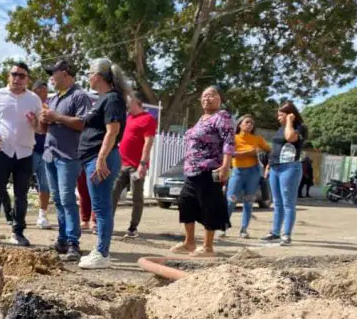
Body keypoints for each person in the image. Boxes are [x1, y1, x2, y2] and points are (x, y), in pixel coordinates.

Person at [0, 62, 43, 246]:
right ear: (8, 76)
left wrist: (35, 123)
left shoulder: (34, 99)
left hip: (25, 153)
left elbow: (41, 128)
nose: (17, 79)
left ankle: (18, 233)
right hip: (2, 151)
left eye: (22, 76)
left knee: (21, 195)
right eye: (14, 74)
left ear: (27, 79)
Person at [76, 58, 128, 269]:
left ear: (97, 76)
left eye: (89, 74)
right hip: (94, 158)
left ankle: (102, 254)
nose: (88, 78)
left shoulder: (112, 99)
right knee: (100, 205)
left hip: (101, 159)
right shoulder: (103, 98)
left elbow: (113, 131)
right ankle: (100, 250)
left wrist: (101, 158)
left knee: (101, 207)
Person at [169, 86, 234, 257]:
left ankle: (208, 247)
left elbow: (229, 141)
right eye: (204, 96)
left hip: (210, 169)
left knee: (209, 206)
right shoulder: (202, 119)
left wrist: (226, 166)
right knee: (186, 203)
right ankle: (189, 243)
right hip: (192, 170)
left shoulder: (222, 116)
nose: (207, 98)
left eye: (212, 95)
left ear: (220, 99)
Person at [39, 58, 93, 261]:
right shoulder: (54, 99)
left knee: (68, 199)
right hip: (50, 155)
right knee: (58, 200)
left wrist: (56, 117)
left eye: (53, 73)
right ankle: (62, 239)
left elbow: (82, 123)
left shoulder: (80, 96)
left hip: (68, 157)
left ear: (65, 73)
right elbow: (44, 129)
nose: (51, 78)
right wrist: (42, 120)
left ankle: (73, 243)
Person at [113, 91, 158, 238]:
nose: (126, 104)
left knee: (137, 198)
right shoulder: (128, 118)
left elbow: (148, 143)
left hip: (136, 166)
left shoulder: (148, 119)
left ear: (136, 101)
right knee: (112, 193)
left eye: (128, 101)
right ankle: (106, 224)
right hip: (121, 164)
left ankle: (133, 228)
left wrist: (143, 164)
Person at [262, 101, 307, 246]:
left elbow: (290, 138)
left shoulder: (300, 127)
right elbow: (276, 148)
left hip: (289, 167)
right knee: (277, 202)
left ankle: (286, 234)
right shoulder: (280, 128)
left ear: (290, 115)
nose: (278, 118)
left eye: (281, 115)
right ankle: (275, 232)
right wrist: (268, 165)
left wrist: (289, 121)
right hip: (275, 168)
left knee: (288, 203)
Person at [227, 114, 270, 238]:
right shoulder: (233, 138)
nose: (250, 125)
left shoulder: (258, 139)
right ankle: (223, 226)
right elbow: (229, 153)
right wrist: (248, 153)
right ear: (240, 124)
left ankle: (244, 229)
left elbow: (269, 151)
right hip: (237, 172)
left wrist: (264, 159)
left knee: (249, 201)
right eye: (247, 122)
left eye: (252, 123)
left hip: (253, 173)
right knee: (231, 200)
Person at [31, 81, 52, 229]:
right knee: (22, 182)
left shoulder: (47, 108)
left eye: (47, 91)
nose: (46, 94)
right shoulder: (28, 106)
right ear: (36, 91)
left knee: (45, 184)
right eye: (44, 91)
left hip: (45, 151)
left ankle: (42, 216)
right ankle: (17, 214)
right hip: (29, 151)